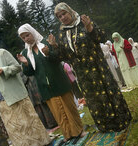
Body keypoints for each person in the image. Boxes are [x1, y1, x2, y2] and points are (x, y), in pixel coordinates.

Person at [46, 2, 132, 132]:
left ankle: (121, 121)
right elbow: (63, 56)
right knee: (94, 99)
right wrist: (54, 48)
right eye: (59, 16)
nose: (62, 17)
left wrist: (90, 28)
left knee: (107, 92)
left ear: (69, 11)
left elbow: (101, 37)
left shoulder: (83, 22)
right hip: (82, 74)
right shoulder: (63, 33)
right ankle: (104, 125)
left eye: (64, 13)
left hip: (98, 68)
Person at [0, 37, 51, 146]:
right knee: (15, 129)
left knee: (28, 122)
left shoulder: (1, 53)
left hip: (15, 95)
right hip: (0, 101)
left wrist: (4, 70)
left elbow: (17, 67)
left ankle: (40, 144)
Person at [16, 23, 85, 142]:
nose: (26, 39)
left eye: (27, 35)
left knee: (70, 108)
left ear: (32, 32)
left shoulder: (46, 42)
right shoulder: (25, 53)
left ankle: (79, 130)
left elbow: (58, 58)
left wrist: (50, 51)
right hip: (45, 87)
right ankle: (68, 134)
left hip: (59, 82)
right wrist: (26, 64)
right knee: (57, 112)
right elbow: (29, 73)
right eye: (23, 38)